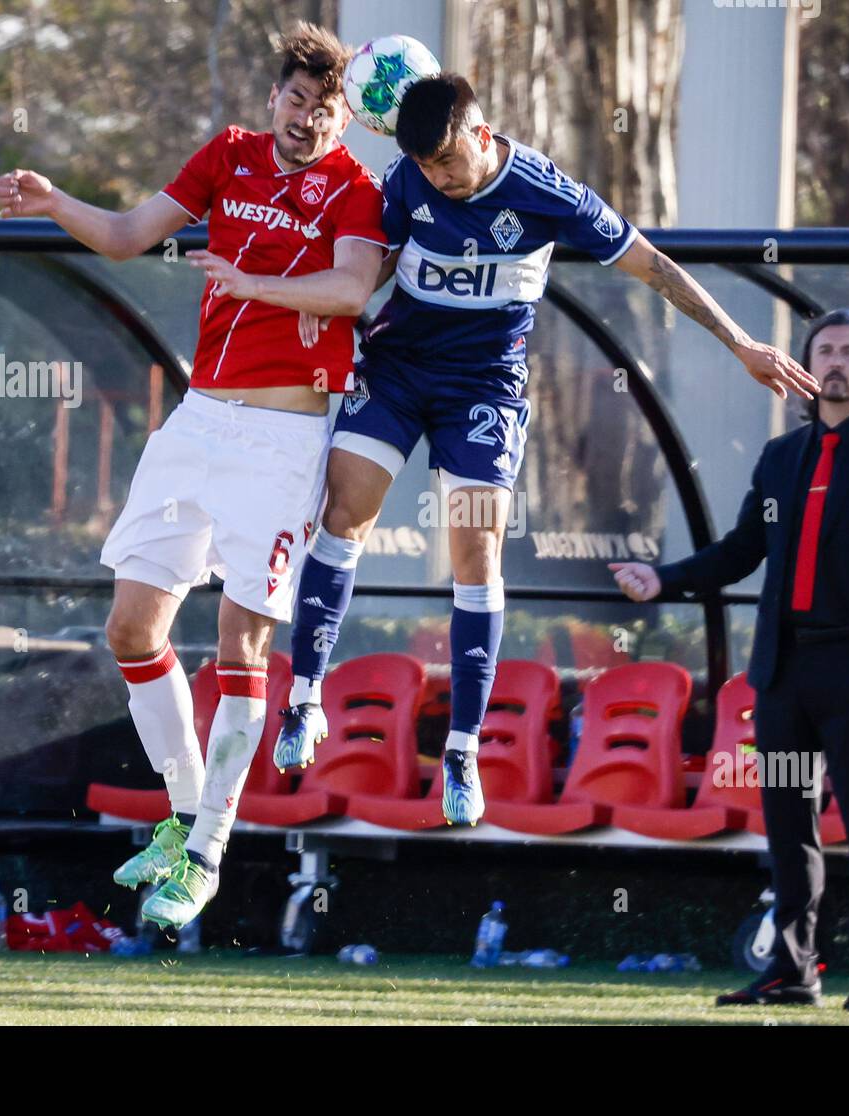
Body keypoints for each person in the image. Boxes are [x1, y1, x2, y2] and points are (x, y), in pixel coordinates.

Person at [276, 73, 819, 828]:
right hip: (398, 373)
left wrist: (740, 343)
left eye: (446, 163)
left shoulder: (545, 192)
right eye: (425, 168)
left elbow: (653, 266)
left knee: (477, 550)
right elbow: (366, 268)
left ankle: (462, 749)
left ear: (480, 132)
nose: (438, 178)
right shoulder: (406, 180)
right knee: (345, 514)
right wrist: (322, 309)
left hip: (483, 392)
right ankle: (304, 701)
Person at [0, 23, 387, 929]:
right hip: (199, 420)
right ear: (272, 100)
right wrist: (56, 201)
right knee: (132, 627)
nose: (307, 119)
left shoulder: (355, 191)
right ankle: (181, 817)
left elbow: (351, 292)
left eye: (326, 110)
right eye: (296, 101)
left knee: (242, 647)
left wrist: (249, 283)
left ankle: (208, 846)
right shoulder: (230, 156)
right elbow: (131, 235)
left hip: (286, 439)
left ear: (343, 122)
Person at [611, 308, 849, 1011]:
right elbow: (739, 553)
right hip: (783, 671)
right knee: (789, 824)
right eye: (825, 350)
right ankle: (793, 971)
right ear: (804, 365)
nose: (837, 363)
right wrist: (662, 579)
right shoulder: (781, 458)